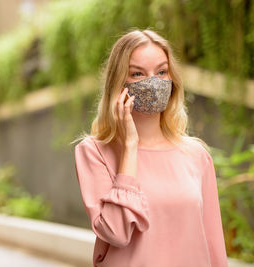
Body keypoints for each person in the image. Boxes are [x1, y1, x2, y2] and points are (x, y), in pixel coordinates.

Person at [73, 29, 228, 267]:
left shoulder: (196, 155)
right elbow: (116, 233)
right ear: (118, 83)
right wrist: (130, 147)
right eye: (137, 73)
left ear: (172, 78)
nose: (153, 82)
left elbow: (214, 245)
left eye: (162, 71)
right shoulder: (93, 152)